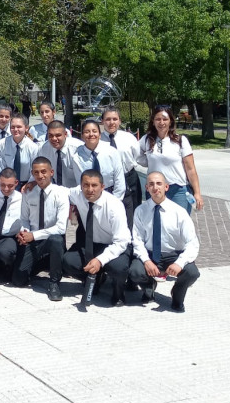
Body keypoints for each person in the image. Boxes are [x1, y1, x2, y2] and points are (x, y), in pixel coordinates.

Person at [128, 171, 200, 312]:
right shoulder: (140, 211)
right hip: (150, 254)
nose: (155, 187)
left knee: (192, 273)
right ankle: (149, 286)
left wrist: (179, 263)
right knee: (135, 271)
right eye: (151, 184)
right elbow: (137, 240)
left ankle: (177, 295)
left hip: (173, 254)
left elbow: (192, 243)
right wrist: (146, 261)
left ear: (166, 187)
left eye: (159, 183)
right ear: (147, 188)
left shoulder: (179, 212)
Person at [62, 169, 132, 306]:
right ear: (81, 186)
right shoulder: (78, 194)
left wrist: (100, 260)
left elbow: (122, 241)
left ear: (102, 187)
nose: (90, 190)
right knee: (68, 261)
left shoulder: (114, 206)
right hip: (92, 244)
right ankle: (95, 278)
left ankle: (118, 292)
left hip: (115, 246)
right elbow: (62, 191)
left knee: (119, 268)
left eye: (94, 186)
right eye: (86, 185)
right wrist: (33, 183)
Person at [12, 157, 69, 301]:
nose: (40, 176)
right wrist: (24, 232)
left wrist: (33, 235)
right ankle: (45, 263)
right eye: (36, 172)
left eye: (44, 172)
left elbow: (61, 228)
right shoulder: (28, 192)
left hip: (51, 239)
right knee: (19, 281)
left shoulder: (61, 193)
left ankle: (54, 282)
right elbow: (24, 218)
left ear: (51, 172)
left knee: (56, 240)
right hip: (33, 241)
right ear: (32, 173)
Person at [137, 105, 203, 214]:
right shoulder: (147, 140)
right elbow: (137, 156)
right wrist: (149, 162)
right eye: (158, 119)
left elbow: (191, 169)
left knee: (179, 225)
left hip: (178, 190)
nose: (161, 122)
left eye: (165, 119)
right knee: (156, 223)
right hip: (155, 189)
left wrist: (197, 193)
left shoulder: (180, 141)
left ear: (171, 121)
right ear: (153, 121)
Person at [101, 106, 142, 226]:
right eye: (108, 119)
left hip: (129, 178)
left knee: (134, 213)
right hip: (109, 182)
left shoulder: (129, 138)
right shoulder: (97, 139)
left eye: (115, 119)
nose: (111, 122)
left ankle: (132, 241)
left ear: (120, 121)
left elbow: (138, 156)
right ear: (103, 121)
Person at [69, 119, 125, 200]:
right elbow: (80, 185)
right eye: (87, 132)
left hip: (111, 195)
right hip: (89, 197)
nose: (91, 134)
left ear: (100, 134)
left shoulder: (112, 152)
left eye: (94, 131)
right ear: (82, 136)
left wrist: (114, 202)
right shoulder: (77, 157)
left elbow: (119, 182)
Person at [0, 114, 39, 188]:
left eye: (19, 127)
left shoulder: (33, 147)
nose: (15, 130)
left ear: (26, 128)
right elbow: (1, 168)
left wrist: (28, 185)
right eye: (12, 127)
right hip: (7, 184)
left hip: (27, 184)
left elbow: (34, 171)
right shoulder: (2, 144)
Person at [37, 120, 81, 188]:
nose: (54, 139)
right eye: (50, 135)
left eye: (58, 135)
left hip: (74, 190)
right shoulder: (43, 149)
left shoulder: (77, 149)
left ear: (65, 134)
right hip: (54, 189)